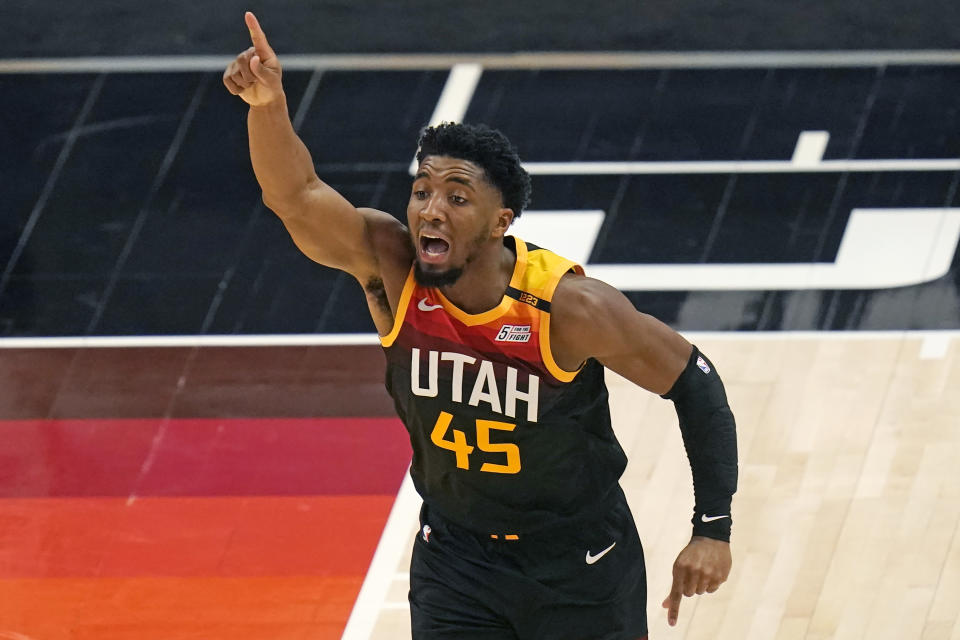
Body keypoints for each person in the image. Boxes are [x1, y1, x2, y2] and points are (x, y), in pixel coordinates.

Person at [223, 12, 738, 638]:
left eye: (457, 197)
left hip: (578, 564)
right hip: (455, 559)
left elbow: (695, 381)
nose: (430, 210)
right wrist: (267, 106)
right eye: (421, 192)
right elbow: (296, 195)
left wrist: (712, 530)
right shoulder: (392, 267)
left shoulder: (567, 308)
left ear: (501, 222)